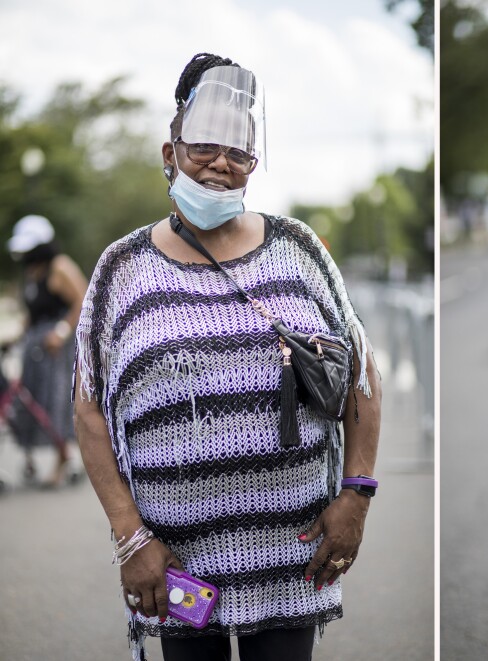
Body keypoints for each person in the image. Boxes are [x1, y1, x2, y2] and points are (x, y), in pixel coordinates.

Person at [73, 53, 381, 661]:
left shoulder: (298, 249)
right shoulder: (121, 268)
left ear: (254, 166)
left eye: (237, 153)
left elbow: (361, 375)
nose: (220, 163)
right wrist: (131, 538)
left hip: (295, 551)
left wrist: (357, 495)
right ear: (171, 154)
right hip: (179, 564)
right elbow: (88, 411)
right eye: (203, 148)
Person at [6, 214, 87, 487]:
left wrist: (61, 332)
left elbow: (83, 300)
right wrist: (15, 338)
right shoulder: (32, 272)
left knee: (55, 401)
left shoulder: (59, 267)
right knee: (30, 402)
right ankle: (31, 457)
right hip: (34, 349)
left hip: (57, 349)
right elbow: (33, 314)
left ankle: (63, 460)